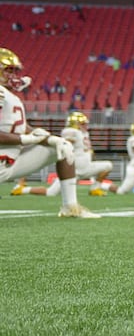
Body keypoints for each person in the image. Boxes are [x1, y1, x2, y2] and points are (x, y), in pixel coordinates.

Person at [0, 48, 100, 217]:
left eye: (14, 71)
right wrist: (26, 139)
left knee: (63, 148)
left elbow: (20, 126)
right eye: (8, 70)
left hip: (8, 163)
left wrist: (51, 139)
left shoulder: (9, 95)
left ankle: (71, 208)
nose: (13, 75)